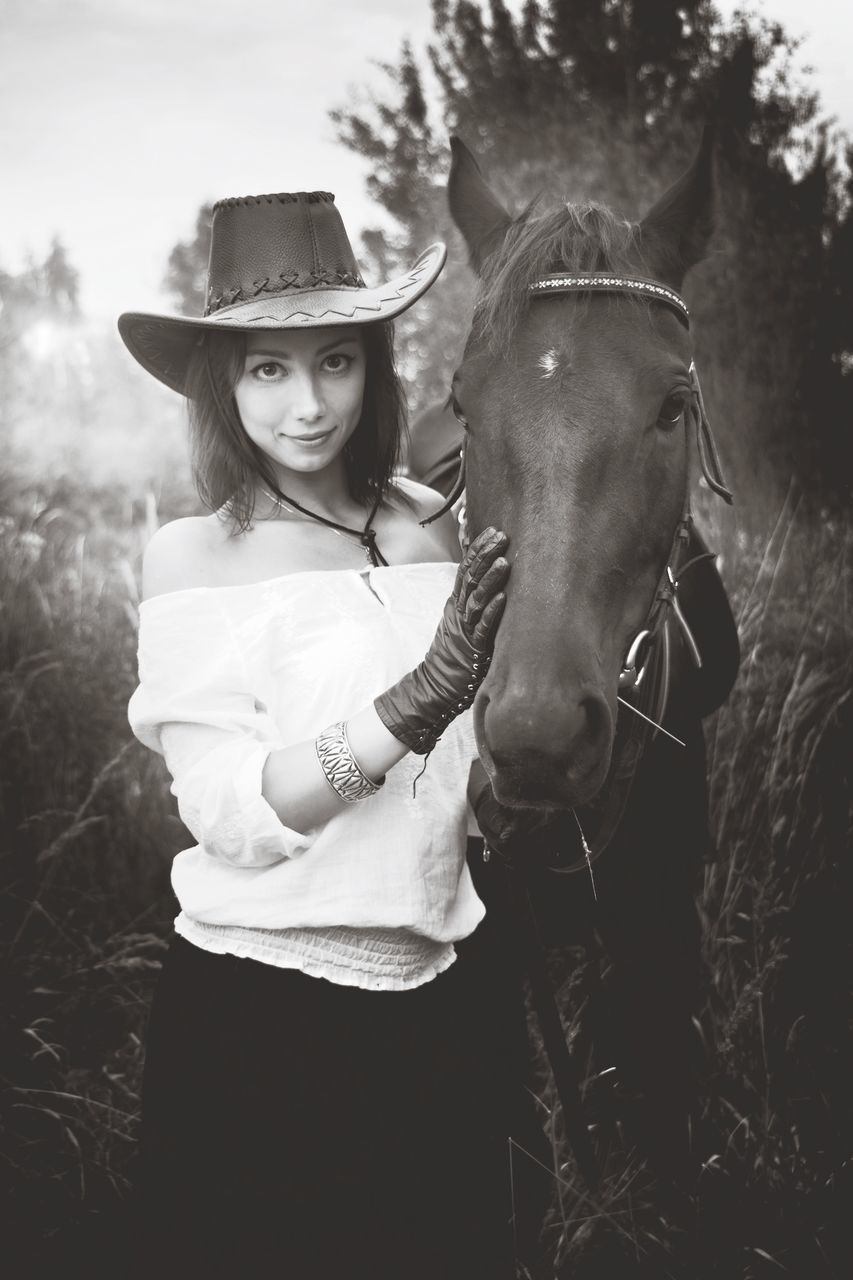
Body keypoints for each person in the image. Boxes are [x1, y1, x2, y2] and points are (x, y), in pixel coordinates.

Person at [118, 190, 519, 1279]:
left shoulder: (429, 523)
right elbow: (229, 812)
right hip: (262, 1026)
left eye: (336, 361)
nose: (308, 405)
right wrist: (404, 708)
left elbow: (471, 775)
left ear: (372, 366)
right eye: (268, 369)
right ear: (223, 382)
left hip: (440, 1005)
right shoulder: (195, 553)